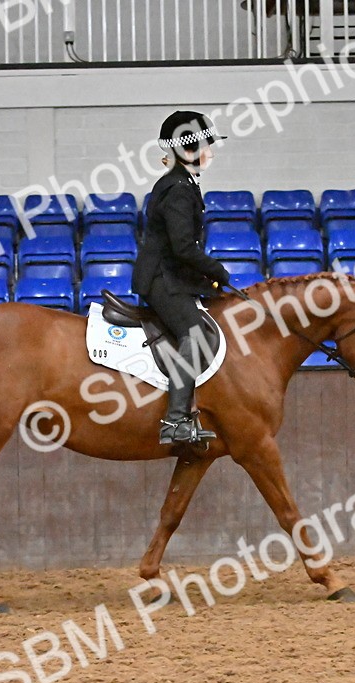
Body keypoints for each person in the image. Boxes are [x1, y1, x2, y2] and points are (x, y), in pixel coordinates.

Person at [133, 110, 232, 446]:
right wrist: (216, 271)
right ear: (189, 150)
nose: (212, 153)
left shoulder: (183, 183)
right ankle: (174, 422)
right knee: (194, 334)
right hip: (161, 277)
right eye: (207, 146)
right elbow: (183, 248)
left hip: (171, 275)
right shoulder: (177, 189)